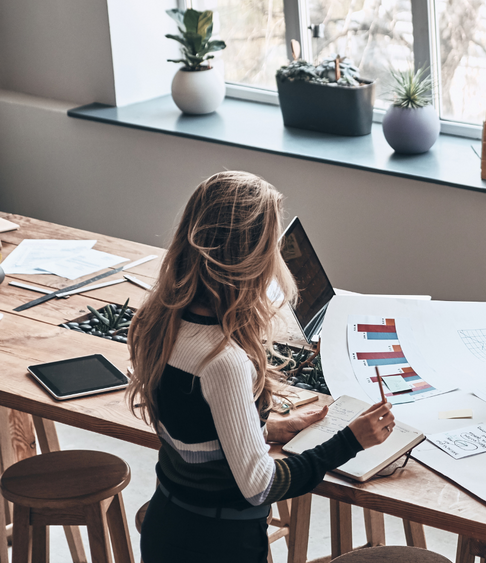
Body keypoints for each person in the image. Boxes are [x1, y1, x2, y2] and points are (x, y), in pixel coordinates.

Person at [126, 171, 394, 562]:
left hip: (170, 526)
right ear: (249, 260)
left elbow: (195, 431)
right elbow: (259, 486)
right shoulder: (223, 360)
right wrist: (351, 440)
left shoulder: (157, 321)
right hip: (219, 545)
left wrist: (263, 428)